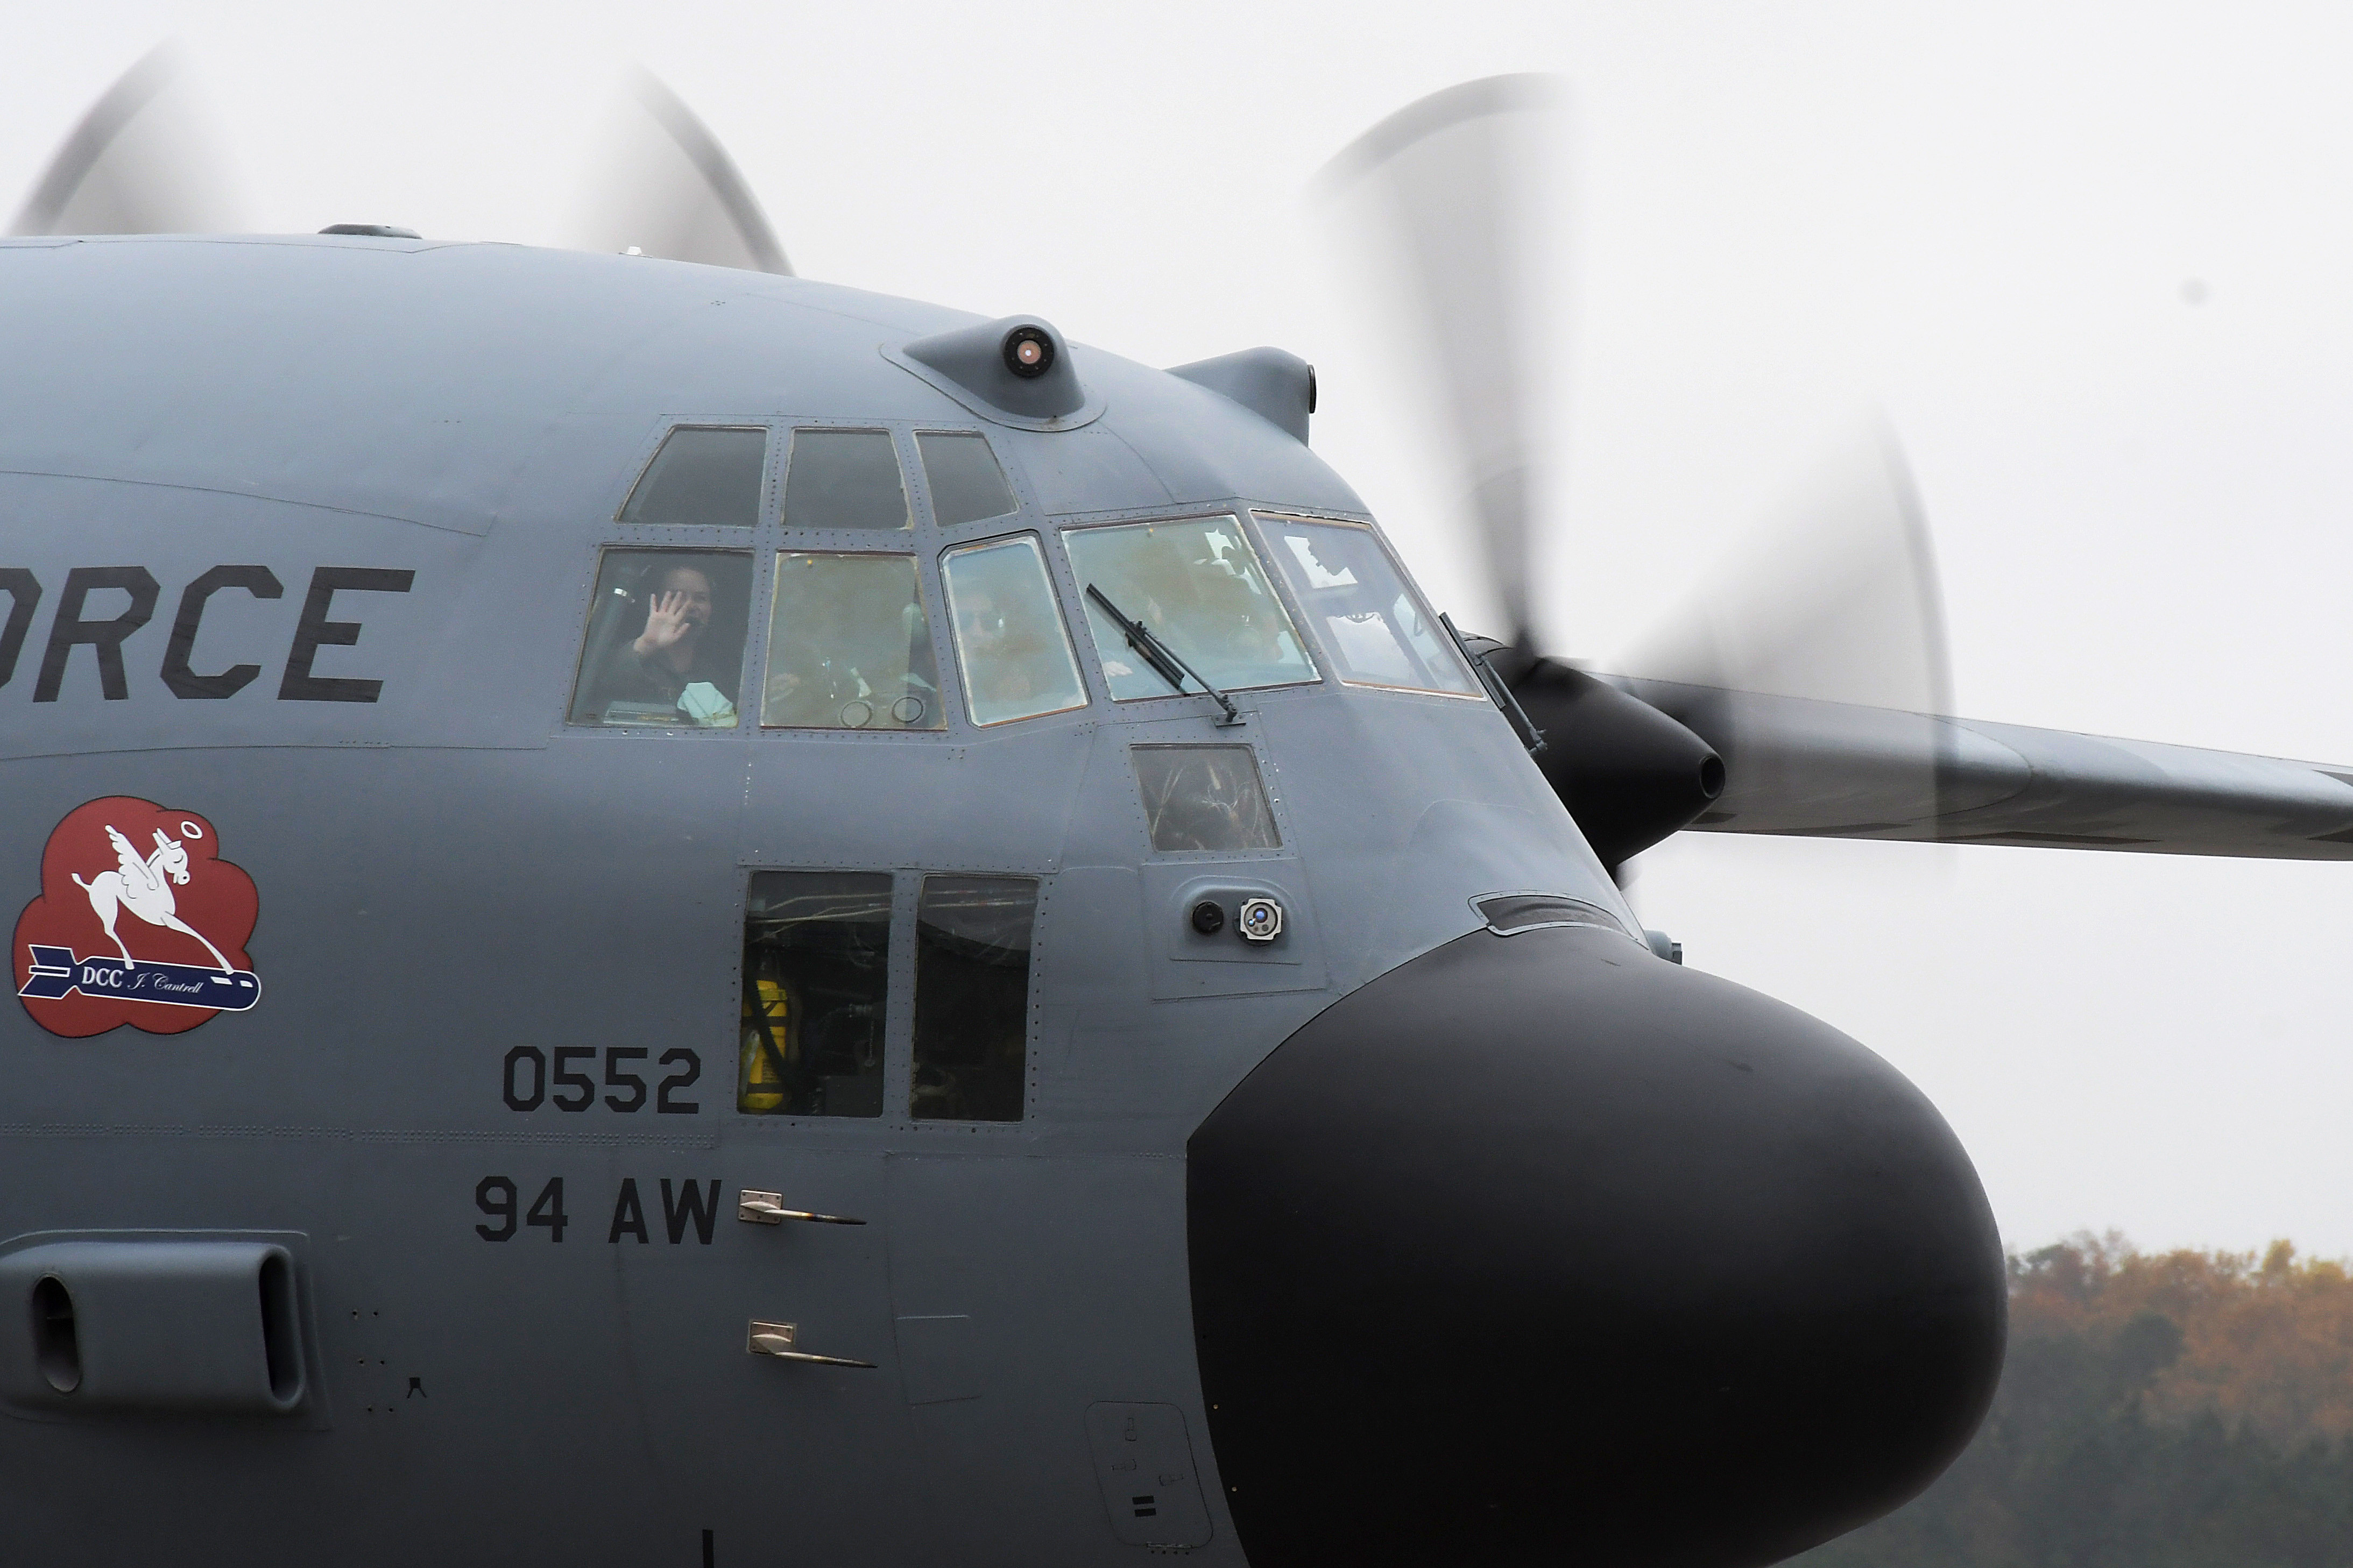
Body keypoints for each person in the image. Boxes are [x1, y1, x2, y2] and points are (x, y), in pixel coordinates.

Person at [587, 562, 739, 725]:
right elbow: (594, 686)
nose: (689, 606)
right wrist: (647, 644)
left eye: (700, 598)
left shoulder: (718, 679)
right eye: (675, 597)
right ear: (655, 603)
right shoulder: (632, 662)